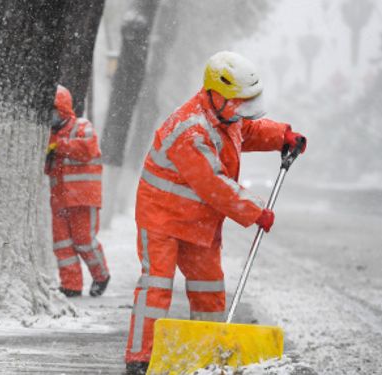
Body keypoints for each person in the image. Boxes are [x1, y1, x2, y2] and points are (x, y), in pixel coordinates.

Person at [124, 51, 307, 374]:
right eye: (238, 102)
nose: (242, 111)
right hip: (162, 217)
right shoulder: (190, 130)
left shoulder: (226, 117)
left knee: (209, 287)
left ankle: (207, 352)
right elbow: (214, 184)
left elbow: (246, 132)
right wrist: (255, 211)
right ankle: (140, 356)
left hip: (198, 220)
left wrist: (282, 136)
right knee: (157, 286)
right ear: (215, 93)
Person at [45, 85, 111, 297]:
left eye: (53, 110)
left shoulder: (82, 126)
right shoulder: (49, 136)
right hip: (59, 198)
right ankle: (71, 285)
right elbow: (49, 168)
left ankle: (101, 275)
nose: (51, 116)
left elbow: (87, 150)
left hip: (83, 198)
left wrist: (59, 144)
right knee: (62, 244)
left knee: (85, 241)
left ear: (63, 109)